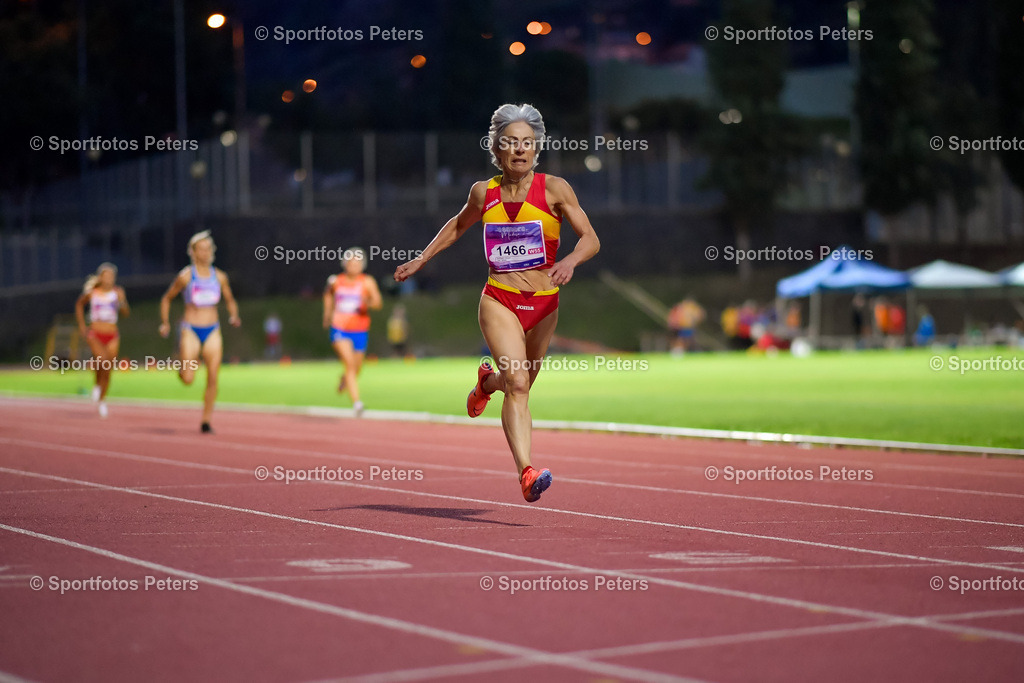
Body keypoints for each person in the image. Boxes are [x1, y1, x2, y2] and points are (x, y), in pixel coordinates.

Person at [394, 103, 600, 503]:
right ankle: (526, 471)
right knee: (519, 384)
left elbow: (590, 237)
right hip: (499, 299)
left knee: (516, 384)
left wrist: (572, 259)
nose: (520, 150)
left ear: (536, 149)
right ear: (497, 149)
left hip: (544, 303)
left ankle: (485, 384)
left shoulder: (555, 188)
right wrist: (422, 257)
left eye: (527, 143)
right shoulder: (482, 192)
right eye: (511, 143)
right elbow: (458, 224)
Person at [158, 231, 241, 433]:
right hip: (190, 329)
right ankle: (181, 362)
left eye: (208, 248)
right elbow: (167, 298)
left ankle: (206, 420)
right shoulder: (186, 276)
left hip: (213, 329)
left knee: (213, 376)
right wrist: (165, 322)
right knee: (188, 379)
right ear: (193, 252)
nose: (205, 252)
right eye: (201, 249)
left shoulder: (219, 276)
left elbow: (229, 298)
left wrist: (233, 315)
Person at [323, 248, 382, 416]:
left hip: (360, 329)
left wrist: (367, 304)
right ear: (345, 264)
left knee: (356, 368)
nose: (353, 266)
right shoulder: (336, 282)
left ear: (362, 265)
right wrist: (327, 314)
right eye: (350, 263)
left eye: (357, 263)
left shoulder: (367, 282)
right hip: (339, 328)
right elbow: (327, 295)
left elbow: (378, 303)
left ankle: (345, 379)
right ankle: (357, 403)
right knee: (349, 364)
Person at [74, 262, 129, 418]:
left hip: (112, 334)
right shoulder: (93, 293)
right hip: (95, 333)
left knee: (107, 368)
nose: (109, 279)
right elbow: (79, 304)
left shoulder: (117, 293)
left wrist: (123, 300)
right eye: (106, 276)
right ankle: (97, 386)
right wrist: (82, 326)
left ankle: (102, 399)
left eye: (112, 276)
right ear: (101, 277)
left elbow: (125, 312)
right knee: (102, 360)